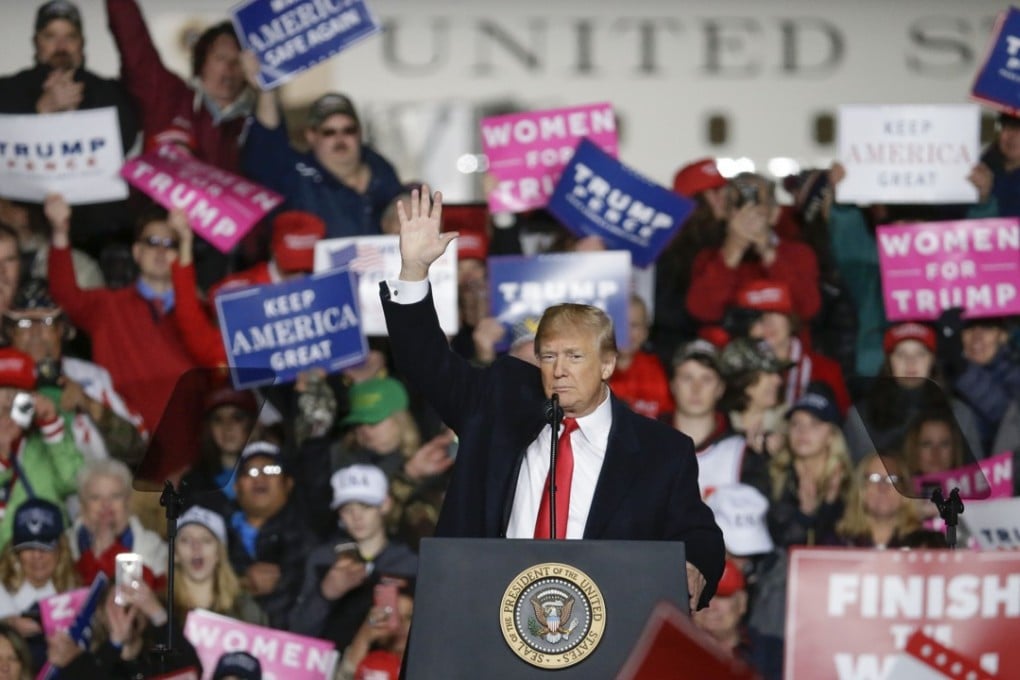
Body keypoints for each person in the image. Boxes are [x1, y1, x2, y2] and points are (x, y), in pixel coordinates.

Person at [379, 187, 724, 609]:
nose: (558, 369)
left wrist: (695, 566)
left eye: (575, 357)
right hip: (481, 621)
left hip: (600, 641)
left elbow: (701, 536)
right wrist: (414, 270)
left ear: (607, 364)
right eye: (548, 357)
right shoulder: (497, 403)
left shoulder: (661, 451)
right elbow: (427, 362)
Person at [47, 196, 199, 466]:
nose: (161, 252)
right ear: (136, 252)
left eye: (171, 244)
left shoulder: (202, 313)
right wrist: (60, 230)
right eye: (152, 242)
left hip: (190, 454)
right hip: (125, 453)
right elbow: (64, 295)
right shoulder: (108, 306)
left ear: (183, 252)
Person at [0, 1, 139, 260]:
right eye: (51, 36)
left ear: (82, 43)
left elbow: (125, 141)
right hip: (25, 238)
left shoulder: (110, 92)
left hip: (99, 238)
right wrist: (41, 112)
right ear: (37, 42)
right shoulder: (8, 91)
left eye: (70, 37)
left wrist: (73, 116)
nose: (61, 46)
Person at [241, 53, 402, 239]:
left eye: (348, 130)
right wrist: (266, 92)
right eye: (329, 132)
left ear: (359, 133)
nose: (340, 138)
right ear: (311, 136)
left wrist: (404, 200)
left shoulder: (381, 170)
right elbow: (266, 147)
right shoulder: (297, 177)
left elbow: (405, 195)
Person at [2, 279, 146, 465]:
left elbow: (138, 450)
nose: (36, 332)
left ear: (61, 329)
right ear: (9, 332)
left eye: (46, 321)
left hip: (92, 489)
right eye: (24, 323)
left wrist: (87, 403)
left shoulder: (91, 377)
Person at [291, 464, 417, 652]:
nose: (356, 517)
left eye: (365, 506)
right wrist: (325, 594)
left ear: (385, 505)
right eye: (347, 509)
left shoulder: (410, 563)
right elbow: (297, 634)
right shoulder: (322, 559)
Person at [686, 173, 820, 327]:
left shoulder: (799, 254)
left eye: (757, 203)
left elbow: (807, 308)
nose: (747, 212)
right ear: (726, 214)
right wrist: (732, 251)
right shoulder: (708, 257)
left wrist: (768, 252)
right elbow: (703, 311)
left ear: (774, 214)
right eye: (739, 204)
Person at [843, 322, 984, 463]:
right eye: (901, 354)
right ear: (888, 362)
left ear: (932, 360)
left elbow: (976, 477)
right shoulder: (860, 417)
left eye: (920, 354)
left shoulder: (960, 414)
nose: (910, 362)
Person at [226, 442, 315, 629]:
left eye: (271, 469)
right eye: (251, 472)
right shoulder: (216, 531)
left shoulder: (306, 534)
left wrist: (282, 581)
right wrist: (241, 583)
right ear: (236, 487)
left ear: (288, 483)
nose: (261, 478)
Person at [0, 348, 83, 549]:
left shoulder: (45, 440)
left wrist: (52, 425)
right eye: (2, 392)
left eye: (18, 395)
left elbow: (74, 481)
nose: (8, 402)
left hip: (45, 561)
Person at [732, 280, 850, 416]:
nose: (767, 323)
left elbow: (841, 427)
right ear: (747, 328)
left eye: (776, 312)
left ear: (791, 321)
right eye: (758, 317)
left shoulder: (826, 371)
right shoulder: (734, 371)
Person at [669, 341, 765, 497]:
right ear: (673, 385)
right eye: (687, 378)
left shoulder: (742, 452)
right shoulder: (646, 443)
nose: (696, 388)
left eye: (706, 379)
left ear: (720, 388)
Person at [0, 498, 78, 670]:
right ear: (15, 551)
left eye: (45, 547)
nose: (37, 556)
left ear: (61, 548)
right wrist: (8, 627)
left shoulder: (76, 594)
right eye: (28, 547)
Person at [66, 459, 167, 590]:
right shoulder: (64, 546)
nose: (106, 505)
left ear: (128, 501)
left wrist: (110, 552)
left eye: (115, 496)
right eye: (95, 497)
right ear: (82, 505)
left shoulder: (154, 546)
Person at [767, 392, 851, 547]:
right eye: (795, 424)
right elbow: (773, 543)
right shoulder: (774, 475)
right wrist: (804, 514)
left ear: (832, 435)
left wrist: (829, 505)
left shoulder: (848, 483)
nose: (802, 431)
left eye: (815, 424)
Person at [174, 505, 265, 626]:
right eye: (185, 540)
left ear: (219, 554)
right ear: (175, 554)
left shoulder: (246, 611)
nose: (196, 547)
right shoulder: (161, 607)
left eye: (206, 540)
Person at [832, 454, 944, 549]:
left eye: (892, 479)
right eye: (874, 478)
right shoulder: (836, 544)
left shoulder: (928, 545)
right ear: (861, 490)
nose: (882, 487)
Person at [608, 295, 674, 420]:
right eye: (619, 324)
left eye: (634, 325)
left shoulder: (660, 370)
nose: (626, 332)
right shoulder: (591, 370)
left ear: (645, 331)